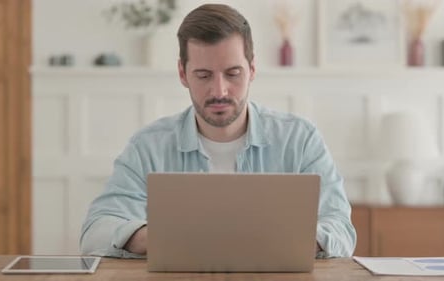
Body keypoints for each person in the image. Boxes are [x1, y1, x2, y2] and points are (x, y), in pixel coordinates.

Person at [80, 3, 356, 258]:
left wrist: (283, 239)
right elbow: (96, 231)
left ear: (252, 69)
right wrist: (159, 239)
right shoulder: (148, 146)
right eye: (203, 75)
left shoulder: (300, 139)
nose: (220, 90)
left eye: (233, 73)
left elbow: (341, 229)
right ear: (182, 73)